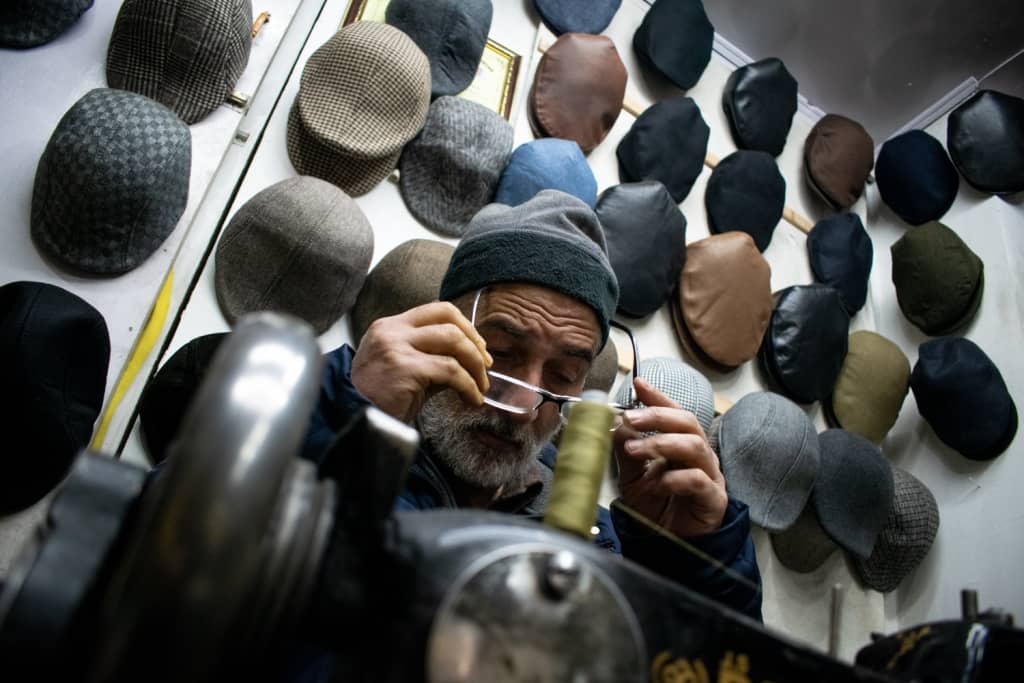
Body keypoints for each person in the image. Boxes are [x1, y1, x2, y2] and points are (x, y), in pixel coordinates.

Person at [302, 190, 762, 620]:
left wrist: (691, 562)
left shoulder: (594, 540)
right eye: (501, 352)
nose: (522, 406)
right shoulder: (305, 411)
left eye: (563, 375)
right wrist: (344, 423)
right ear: (443, 325)